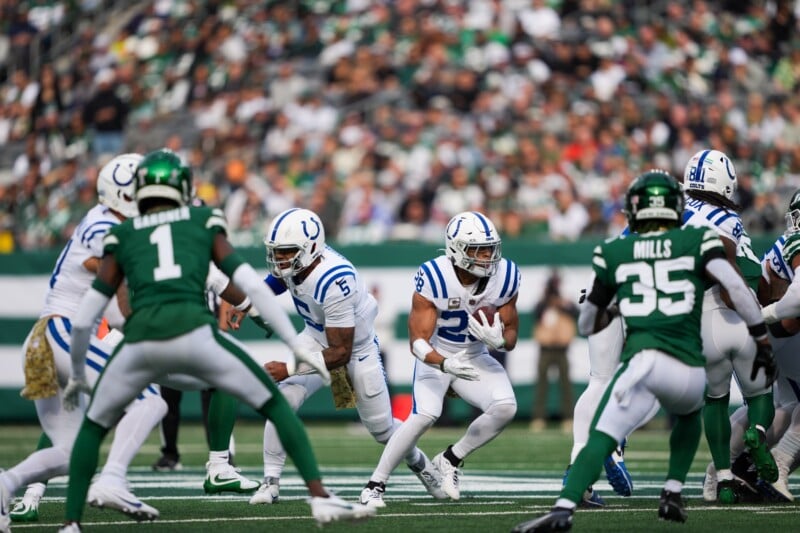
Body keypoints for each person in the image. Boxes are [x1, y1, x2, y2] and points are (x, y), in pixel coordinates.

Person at [54, 149, 374, 532]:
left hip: (138, 341)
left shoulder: (121, 234)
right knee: (275, 404)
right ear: (184, 186)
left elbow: (88, 314)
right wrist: (293, 340)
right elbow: (248, 284)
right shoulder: (202, 219)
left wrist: (76, 372)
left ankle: (71, 523)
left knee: (92, 426)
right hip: (194, 334)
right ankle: (318, 497)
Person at [512, 170, 776, 533]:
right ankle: (672, 488)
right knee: (690, 414)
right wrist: (760, 335)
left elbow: (588, 320)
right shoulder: (699, 240)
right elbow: (735, 285)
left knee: (603, 423)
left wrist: (608, 308)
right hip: (684, 359)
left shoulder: (614, 250)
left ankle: (567, 502)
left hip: (642, 360)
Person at [1, 154, 168, 530]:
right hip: (62, 332)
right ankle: (113, 480)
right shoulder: (103, 223)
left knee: (71, 453)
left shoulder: (110, 221)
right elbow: (114, 267)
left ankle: (3, 486)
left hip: (50, 338)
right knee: (151, 401)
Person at [235, 207, 445, 505]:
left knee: (383, 430)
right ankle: (270, 482)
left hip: (355, 349)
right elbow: (281, 279)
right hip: (315, 335)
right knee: (281, 401)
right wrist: (245, 303)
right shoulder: (301, 261)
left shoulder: (333, 279)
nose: (279, 259)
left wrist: (289, 367)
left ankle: (422, 464)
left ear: (310, 249)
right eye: (277, 252)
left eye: (286, 252)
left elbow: (340, 353)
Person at [359, 211, 520, 507]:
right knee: (424, 415)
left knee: (506, 408)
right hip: (437, 355)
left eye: (490, 248)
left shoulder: (506, 276)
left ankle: (450, 459)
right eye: (478, 250)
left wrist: (499, 341)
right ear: (457, 250)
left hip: (474, 355)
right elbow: (416, 342)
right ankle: (375, 485)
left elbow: (511, 335)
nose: (488, 256)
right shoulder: (436, 276)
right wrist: (444, 364)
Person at [681, 149, 778, 504]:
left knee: (716, 399)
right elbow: (742, 274)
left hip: (702, 320)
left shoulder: (675, 215)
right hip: (738, 309)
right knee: (762, 395)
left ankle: (723, 479)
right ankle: (757, 432)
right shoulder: (725, 218)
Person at [530, 270, 577, 432]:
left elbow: (574, 312)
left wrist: (561, 304)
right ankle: (538, 417)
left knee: (565, 384)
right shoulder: (543, 303)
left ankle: (568, 417)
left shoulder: (565, 302)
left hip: (562, 348)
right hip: (545, 348)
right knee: (542, 384)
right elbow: (536, 313)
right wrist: (547, 300)